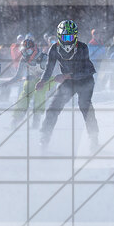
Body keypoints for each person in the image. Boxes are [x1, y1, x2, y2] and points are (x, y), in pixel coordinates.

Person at [36, 20, 99, 150]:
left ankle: (93, 137)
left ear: (75, 36)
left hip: (85, 79)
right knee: (54, 106)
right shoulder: (54, 49)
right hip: (68, 82)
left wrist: (65, 76)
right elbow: (49, 68)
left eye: (70, 37)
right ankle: (44, 137)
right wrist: (43, 80)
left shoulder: (82, 47)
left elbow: (86, 69)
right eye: (64, 37)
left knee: (84, 105)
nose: (67, 40)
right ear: (59, 36)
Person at [7, 36, 51, 129]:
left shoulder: (43, 58)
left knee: (39, 94)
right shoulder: (23, 59)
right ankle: (15, 120)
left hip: (47, 78)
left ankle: (36, 120)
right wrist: (7, 83)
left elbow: (50, 72)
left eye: (28, 51)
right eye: (24, 51)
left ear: (34, 49)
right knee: (24, 95)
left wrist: (40, 78)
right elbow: (18, 76)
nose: (26, 53)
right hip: (33, 78)